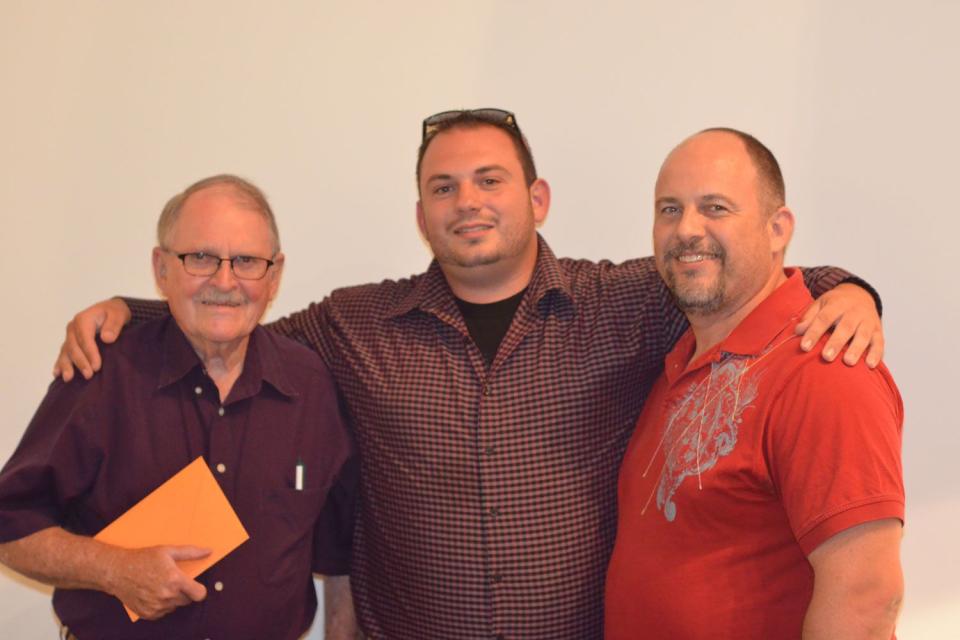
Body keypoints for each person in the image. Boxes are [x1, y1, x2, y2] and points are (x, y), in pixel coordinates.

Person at [51, 111, 884, 639]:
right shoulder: (353, 325)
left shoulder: (626, 303)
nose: (468, 201)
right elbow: (237, 320)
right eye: (443, 187)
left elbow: (726, 272)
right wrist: (136, 308)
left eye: (490, 180)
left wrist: (847, 290)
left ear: (538, 197)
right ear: (420, 215)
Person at [0, 175, 356, 640]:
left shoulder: (309, 385)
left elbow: (340, 554)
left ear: (274, 276)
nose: (225, 281)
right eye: (201, 258)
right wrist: (113, 569)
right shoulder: (102, 374)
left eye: (247, 261)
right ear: (161, 268)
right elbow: (10, 525)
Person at [604, 129, 904, 639]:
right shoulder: (680, 362)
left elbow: (867, 597)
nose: (687, 230)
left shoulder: (824, 368)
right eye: (669, 209)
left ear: (777, 228)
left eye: (716, 207)